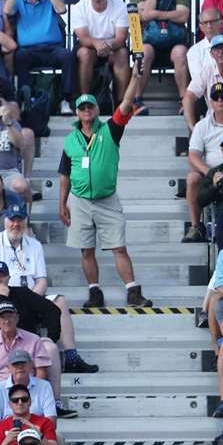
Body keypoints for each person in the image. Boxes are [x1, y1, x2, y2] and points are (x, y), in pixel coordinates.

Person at [59, 73, 152, 309]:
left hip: (107, 198)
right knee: (86, 250)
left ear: (97, 110)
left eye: (90, 106)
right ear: (77, 113)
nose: (87, 110)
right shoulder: (70, 140)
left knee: (119, 247)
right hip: (79, 200)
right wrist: (62, 203)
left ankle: (132, 291)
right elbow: (65, 175)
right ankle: (94, 292)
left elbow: (126, 102)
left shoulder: (110, 129)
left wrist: (134, 77)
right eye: (83, 107)